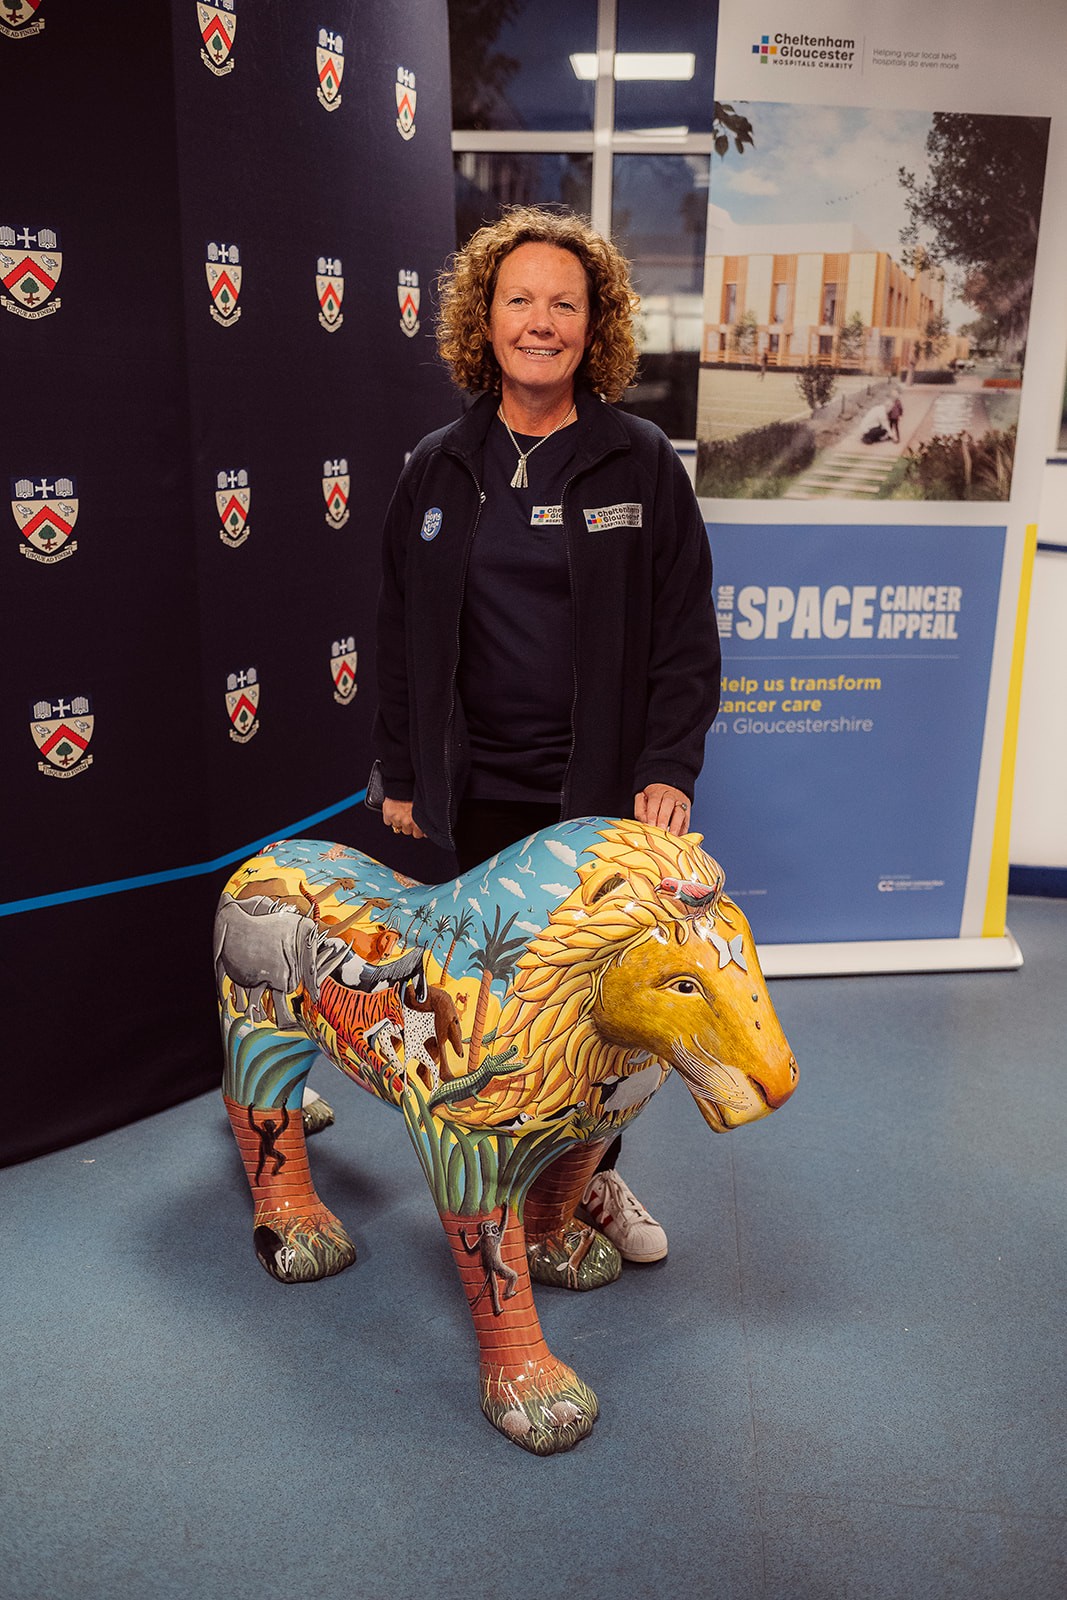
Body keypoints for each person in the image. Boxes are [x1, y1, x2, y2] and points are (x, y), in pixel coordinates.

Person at [368, 206, 721, 1263]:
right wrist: (401, 769)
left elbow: (683, 633)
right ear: (483, 321)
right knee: (502, 1010)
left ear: (593, 326)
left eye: (563, 304)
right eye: (517, 299)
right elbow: (398, 630)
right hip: (480, 792)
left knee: (603, 1018)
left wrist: (666, 766)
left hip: (599, 797)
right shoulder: (436, 465)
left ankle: (587, 1183)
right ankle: (504, 1190)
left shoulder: (638, 461)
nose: (540, 321)